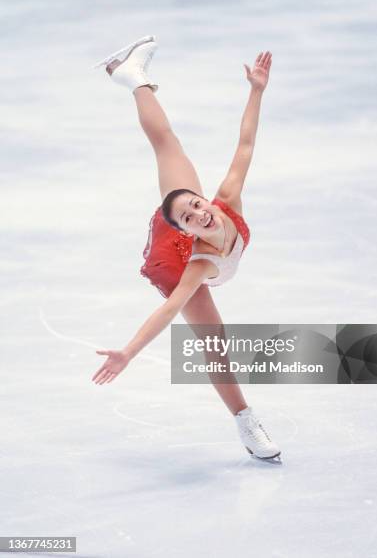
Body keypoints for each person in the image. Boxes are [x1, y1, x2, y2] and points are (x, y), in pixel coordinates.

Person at [92, 35, 281, 462]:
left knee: (168, 143)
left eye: (197, 206)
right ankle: (246, 422)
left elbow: (246, 145)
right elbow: (168, 309)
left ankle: (133, 77)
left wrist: (256, 90)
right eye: (191, 216)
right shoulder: (195, 264)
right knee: (215, 342)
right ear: (185, 227)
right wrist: (129, 352)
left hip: (173, 220)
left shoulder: (222, 203)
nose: (201, 214)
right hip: (168, 259)